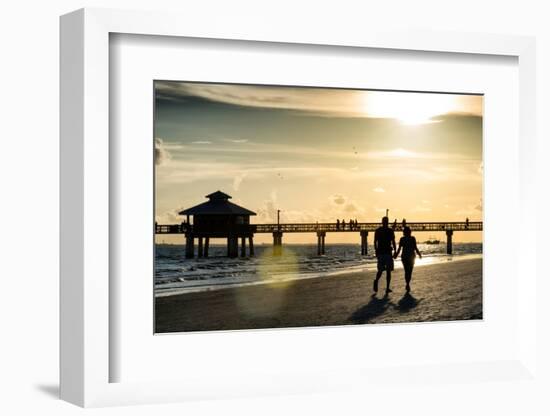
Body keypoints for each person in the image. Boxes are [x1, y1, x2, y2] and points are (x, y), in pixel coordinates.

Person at [394, 226, 422, 292]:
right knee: (409, 272)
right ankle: (407, 284)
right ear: (409, 232)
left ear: (404, 232)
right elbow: (415, 248)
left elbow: (399, 249)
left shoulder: (402, 239)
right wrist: (419, 254)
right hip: (411, 257)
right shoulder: (412, 238)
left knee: (406, 271)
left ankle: (407, 284)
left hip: (405, 257)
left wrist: (396, 255)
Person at [373, 216, 396, 294]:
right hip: (387, 253)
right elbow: (393, 241)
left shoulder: (378, 230)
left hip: (382, 252)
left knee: (382, 270)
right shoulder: (390, 231)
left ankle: (383, 285)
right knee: (386, 271)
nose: (385, 223)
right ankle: (386, 287)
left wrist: (376, 250)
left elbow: (375, 242)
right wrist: (395, 251)